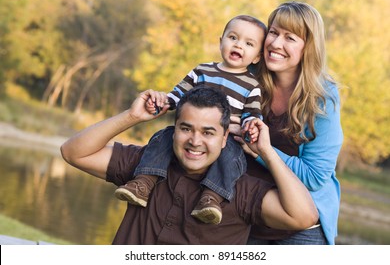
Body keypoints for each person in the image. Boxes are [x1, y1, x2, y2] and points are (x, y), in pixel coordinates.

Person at [60, 86, 318, 244]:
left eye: (208, 132)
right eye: (186, 128)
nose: (195, 141)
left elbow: (303, 216)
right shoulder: (146, 167)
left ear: (224, 137)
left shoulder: (240, 191)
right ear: (174, 130)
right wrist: (132, 117)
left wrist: (266, 152)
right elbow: (73, 152)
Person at [114, 15, 267, 225]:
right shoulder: (202, 71)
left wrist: (251, 127)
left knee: (232, 156)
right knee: (163, 137)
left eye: (248, 44)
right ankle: (143, 182)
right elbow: (177, 95)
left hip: (226, 138)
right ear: (221, 40)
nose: (239, 45)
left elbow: (252, 115)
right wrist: (161, 102)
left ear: (257, 57)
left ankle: (211, 198)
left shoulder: (252, 85)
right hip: (190, 131)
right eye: (233, 38)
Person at [240, 1, 343, 245]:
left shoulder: (323, 98)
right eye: (274, 32)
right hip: (247, 213)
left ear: (308, 48)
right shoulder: (247, 78)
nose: (276, 44)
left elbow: (315, 176)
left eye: (290, 38)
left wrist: (262, 152)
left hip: (301, 225)